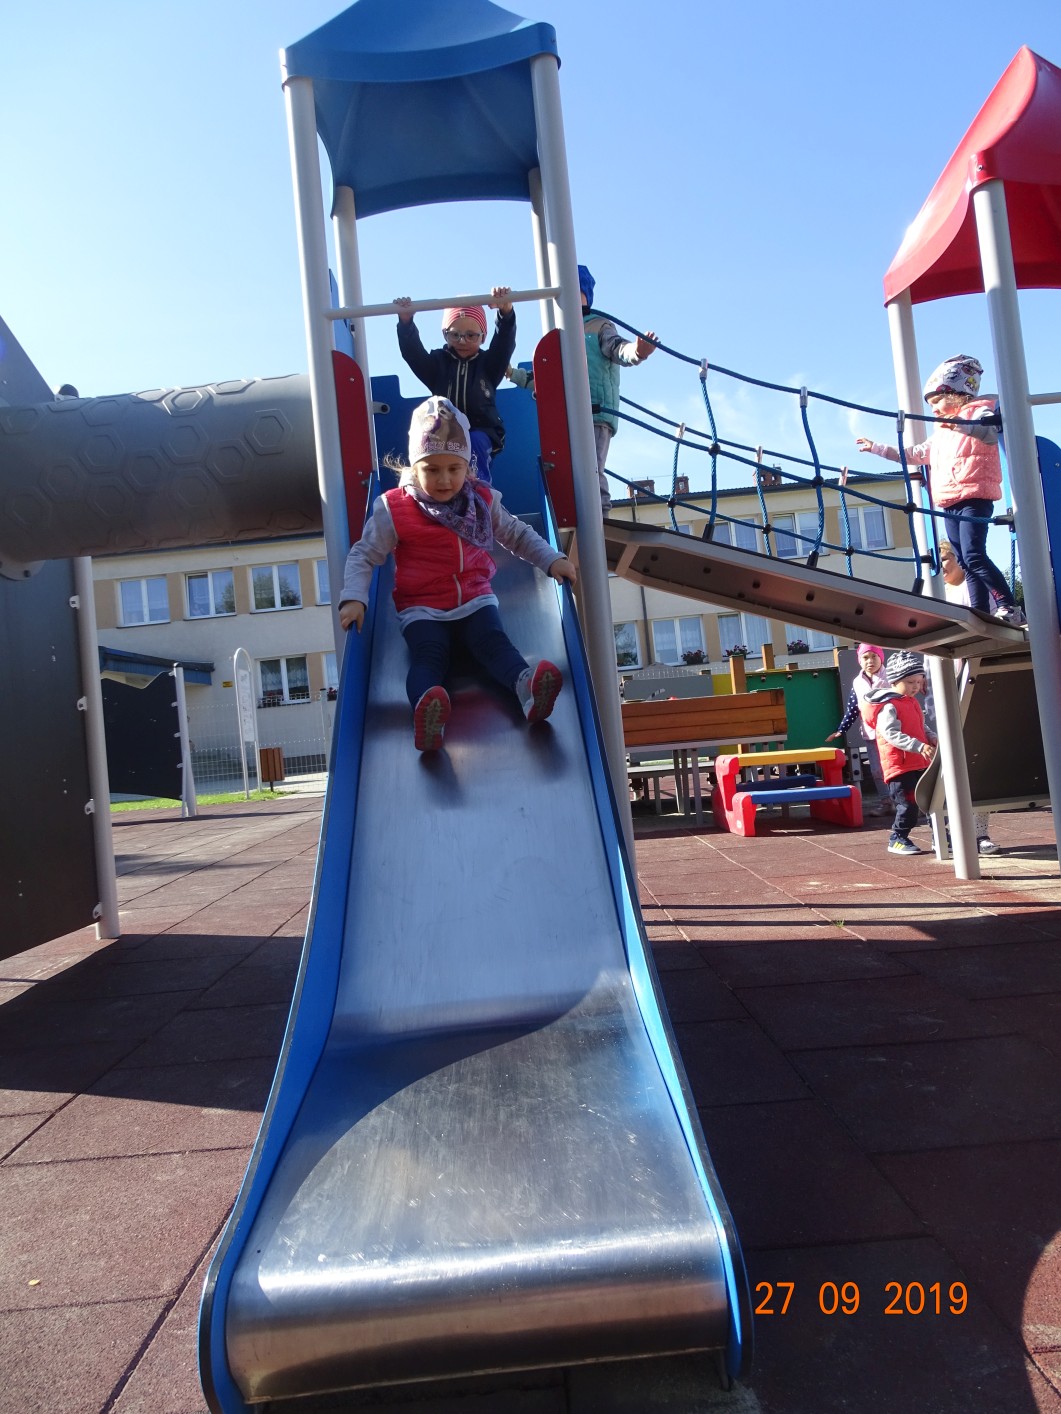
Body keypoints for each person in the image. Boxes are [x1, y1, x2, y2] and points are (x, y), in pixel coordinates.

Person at [338, 397, 577, 752]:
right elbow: (364, 553)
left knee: (493, 643)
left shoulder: (481, 501)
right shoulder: (397, 509)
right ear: (414, 467)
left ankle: (527, 687)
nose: (445, 479)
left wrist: (551, 559)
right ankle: (427, 709)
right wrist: (354, 598)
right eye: (431, 469)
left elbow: (516, 534)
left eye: (454, 468)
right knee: (429, 655)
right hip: (422, 607)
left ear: (468, 466)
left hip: (475, 598)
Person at [856, 354, 1024, 626]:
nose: (933, 408)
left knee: (974, 554)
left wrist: (960, 424)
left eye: (937, 401)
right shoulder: (942, 430)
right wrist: (878, 448)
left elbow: (989, 432)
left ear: (957, 395)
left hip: (974, 495)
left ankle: (1009, 605)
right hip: (948, 501)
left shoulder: (978, 410)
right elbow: (915, 453)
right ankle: (980, 611)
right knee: (965, 561)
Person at [394, 288, 516, 486]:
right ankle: (436, 493)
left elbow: (505, 343)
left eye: (471, 335)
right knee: (432, 448)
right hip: (444, 433)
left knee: (474, 442)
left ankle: (478, 492)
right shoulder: (437, 364)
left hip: (482, 430)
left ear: (483, 337)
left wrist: (505, 313)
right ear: (445, 334)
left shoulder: (490, 365)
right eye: (455, 335)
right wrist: (406, 322)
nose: (462, 341)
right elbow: (412, 354)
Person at [934, 541, 1000, 855]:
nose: (942, 565)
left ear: (960, 560)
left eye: (946, 558)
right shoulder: (936, 594)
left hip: (975, 675)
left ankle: (979, 833)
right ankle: (944, 829)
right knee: (948, 761)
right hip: (947, 681)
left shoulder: (976, 590)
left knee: (978, 758)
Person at [579, 264, 658, 511]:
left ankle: (600, 515)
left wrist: (637, 351)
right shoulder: (558, 331)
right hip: (568, 412)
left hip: (596, 411)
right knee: (573, 468)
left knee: (592, 468)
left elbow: (618, 348)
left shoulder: (598, 325)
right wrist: (513, 374)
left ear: (585, 296)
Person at [863, 651, 937, 856]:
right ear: (895, 681)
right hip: (900, 766)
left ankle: (940, 835)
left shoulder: (911, 702)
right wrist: (919, 746)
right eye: (910, 682)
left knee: (932, 800)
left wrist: (931, 737)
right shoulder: (889, 706)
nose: (915, 686)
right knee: (908, 805)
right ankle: (897, 837)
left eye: (919, 682)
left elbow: (920, 726)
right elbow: (890, 734)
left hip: (918, 762)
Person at [826, 643, 890, 814]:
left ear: (881, 658)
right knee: (876, 770)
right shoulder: (858, 682)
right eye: (865, 657)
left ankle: (904, 801)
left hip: (891, 733)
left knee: (895, 767)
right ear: (860, 661)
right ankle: (886, 802)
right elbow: (853, 707)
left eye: (874, 657)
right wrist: (841, 729)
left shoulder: (890, 677)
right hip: (871, 733)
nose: (870, 661)